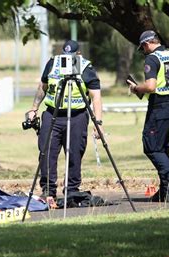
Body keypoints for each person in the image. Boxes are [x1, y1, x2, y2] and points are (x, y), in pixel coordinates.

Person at [26, 40, 103, 199]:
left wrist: (98, 123)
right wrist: (34, 108)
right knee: (46, 152)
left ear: (79, 54)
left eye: (72, 56)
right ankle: (48, 190)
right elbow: (43, 87)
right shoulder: (53, 63)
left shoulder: (86, 67)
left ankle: (72, 189)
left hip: (77, 116)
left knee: (75, 153)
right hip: (52, 114)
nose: (68, 60)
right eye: (65, 55)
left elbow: (96, 96)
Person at [127, 30, 169, 202]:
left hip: (159, 106)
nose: (143, 51)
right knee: (163, 149)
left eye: (143, 48)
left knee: (151, 146)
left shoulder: (152, 59)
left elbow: (151, 86)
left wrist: (137, 88)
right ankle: (167, 192)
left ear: (146, 44)